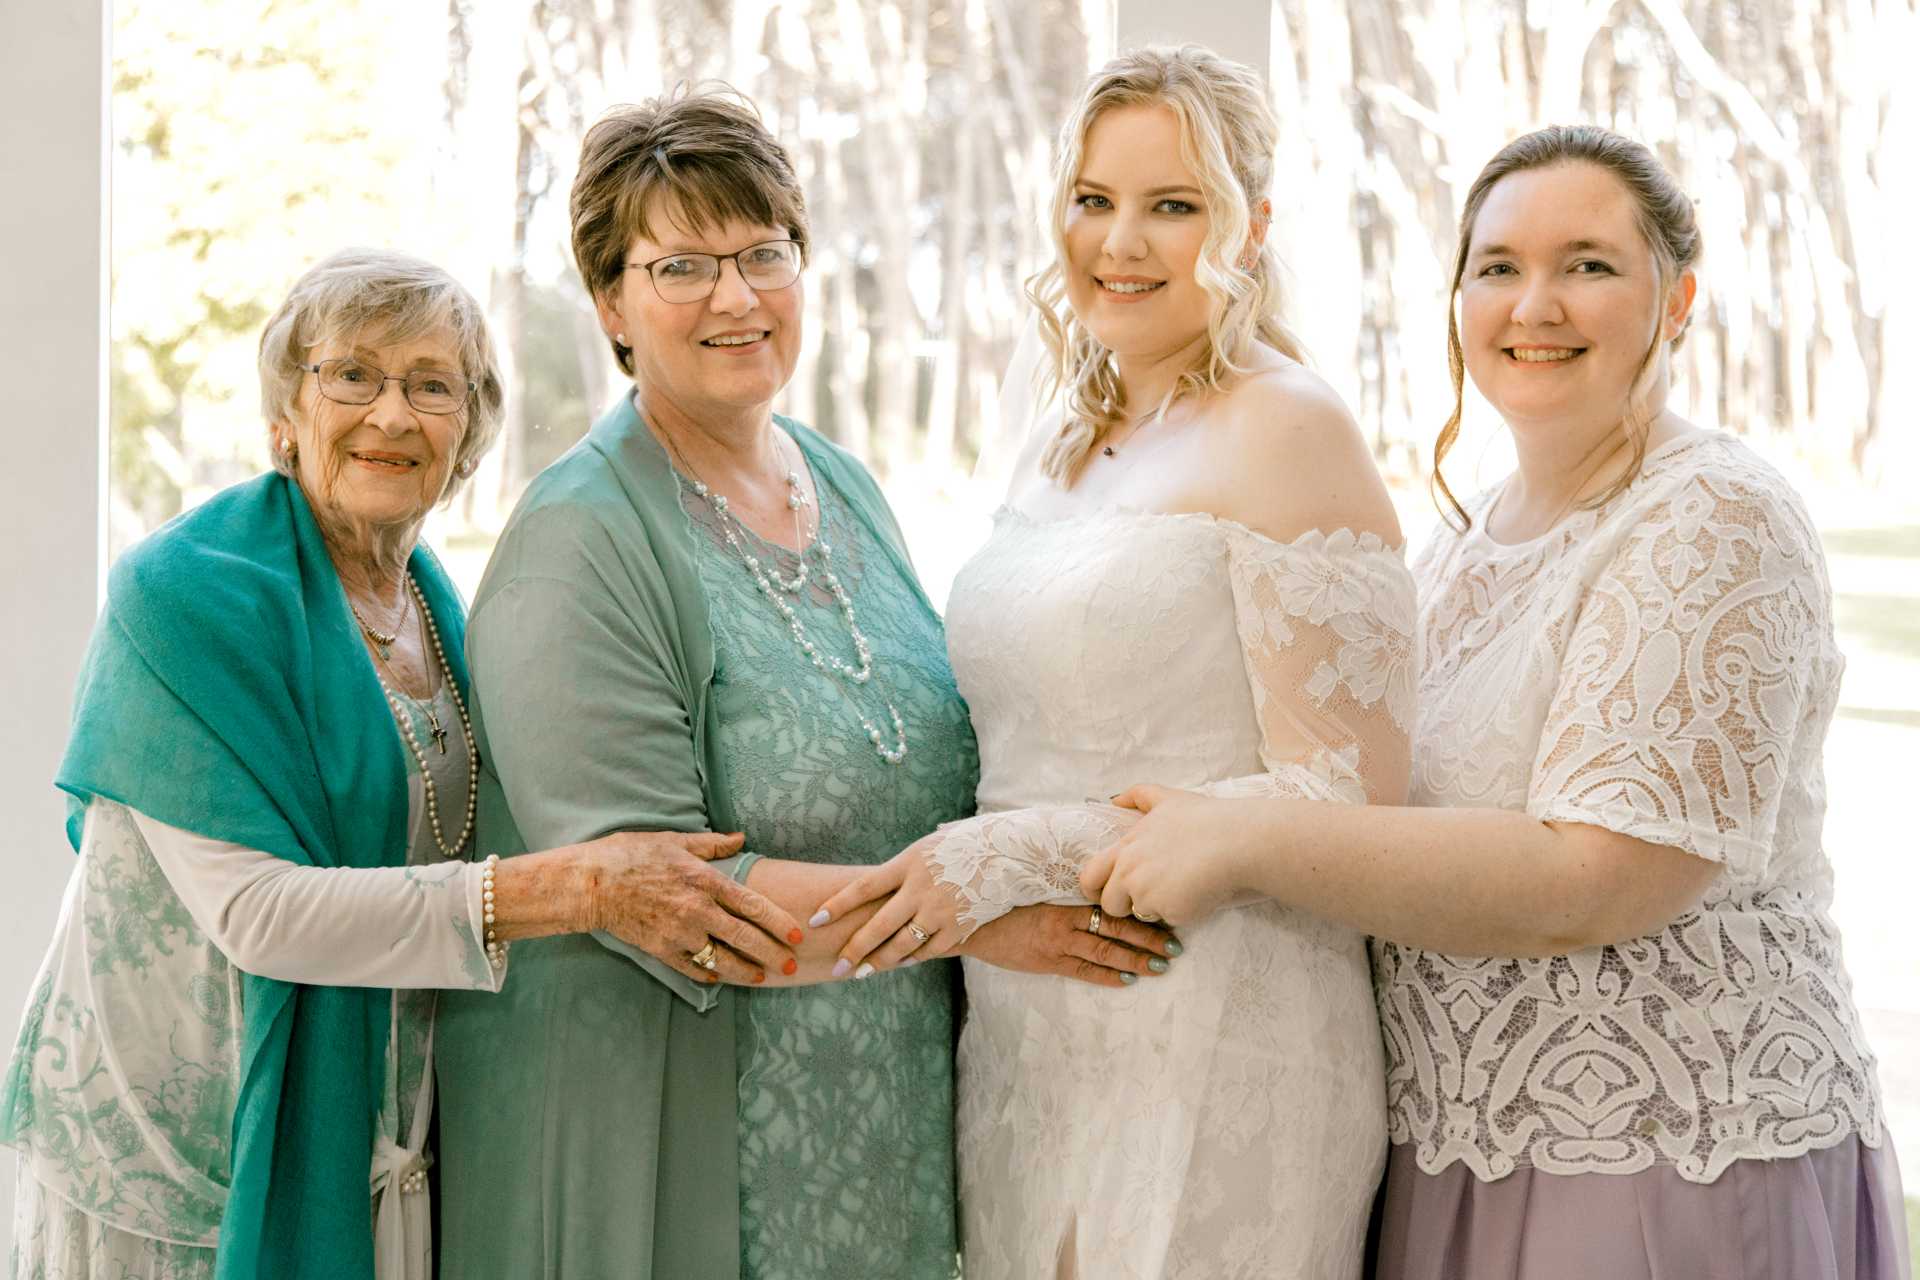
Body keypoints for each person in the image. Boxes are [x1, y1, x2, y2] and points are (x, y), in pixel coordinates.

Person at [1079, 126, 1913, 1278]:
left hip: (1661, 1159)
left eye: (1588, 264)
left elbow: (1602, 873)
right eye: (1499, 267)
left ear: (1677, 299)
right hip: (1458, 1149)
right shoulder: (1460, 546)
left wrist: (1243, 839)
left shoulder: (1714, 514)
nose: (1535, 305)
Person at [431, 87, 1176, 1280]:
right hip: (687, 1140)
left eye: (763, 254)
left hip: (885, 1122)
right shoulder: (578, 538)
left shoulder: (839, 480)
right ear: (612, 304)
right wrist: (986, 919)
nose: (735, 297)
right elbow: (670, 903)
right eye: (681, 267)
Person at [0, 248, 796, 1280]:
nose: (391, 413)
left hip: (376, 1150)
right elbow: (261, 915)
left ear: (467, 436)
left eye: (431, 386)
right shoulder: (185, 595)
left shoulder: (437, 606)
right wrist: (581, 887)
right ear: (286, 411)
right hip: (175, 1169)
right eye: (352, 375)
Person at [812, 45, 1413, 1279]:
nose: (1120, 242)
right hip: (1028, 1030)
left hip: (1225, 1009)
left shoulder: (1289, 425)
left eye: (1172, 205)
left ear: (1250, 227)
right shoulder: (1057, 436)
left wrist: (1010, 854)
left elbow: (1349, 795)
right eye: (1095, 199)